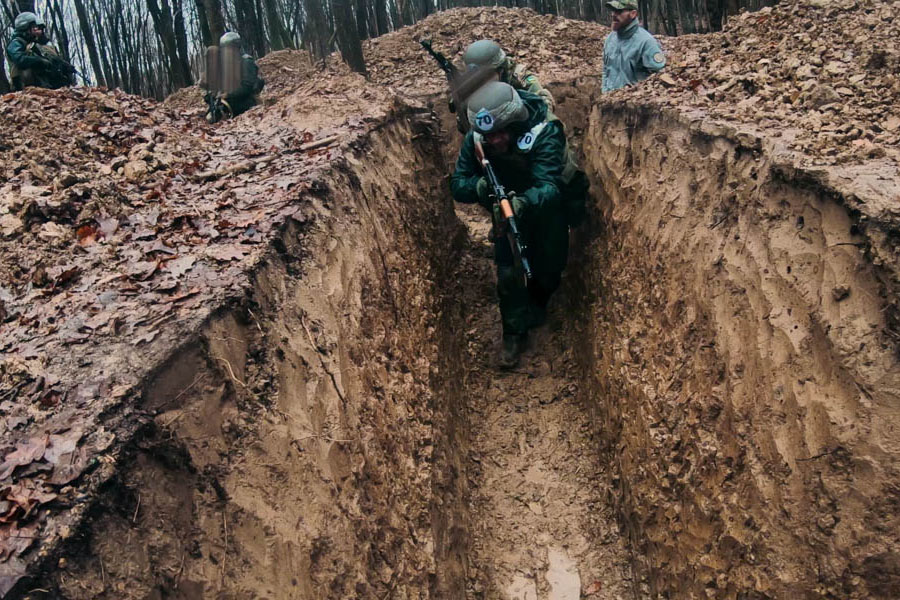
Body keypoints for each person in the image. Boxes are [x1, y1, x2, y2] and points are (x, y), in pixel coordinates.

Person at [451, 81, 587, 368]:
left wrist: (523, 204)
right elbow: (458, 184)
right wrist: (480, 187)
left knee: (549, 264)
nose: (496, 141)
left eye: (502, 133)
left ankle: (539, 302)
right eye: (490, 136)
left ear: (516, 122)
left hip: (544, 205)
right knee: (508, 272)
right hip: (503, 210)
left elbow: (550, 188)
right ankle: (514, 332)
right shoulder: (476, 138)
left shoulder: (545, 131)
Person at [453, 39, 554, 134]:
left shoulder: (518, 76)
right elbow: (464, 127)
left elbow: (544, 101)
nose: (482, 82)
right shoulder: (473, 87)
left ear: (500, 70)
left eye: (486, 76)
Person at [602, 0, 666, 93]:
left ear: (633, 14)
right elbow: (605, 70)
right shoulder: (610, 39)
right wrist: (604, 92)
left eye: (619, 11)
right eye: (613, 11)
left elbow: (658, 78)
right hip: (610, 102)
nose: (613, 15)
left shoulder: (646, 42)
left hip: (633, 103)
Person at [204, 32, 264, 123]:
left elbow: (247, 87)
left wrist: (228, 95)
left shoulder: (246, 62)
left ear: (236, 48)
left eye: (228, 48)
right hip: (234, 100)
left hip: (247, 101)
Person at [6, 12, 75, 91]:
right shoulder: (16, 43)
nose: (36, 29)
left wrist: (63, 65)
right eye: (33, 27)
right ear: (25, 27)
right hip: (24, 87)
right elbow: (19, 59)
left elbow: (48, 58)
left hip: (41, 85)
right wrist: (39, 61)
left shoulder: (34, 43)